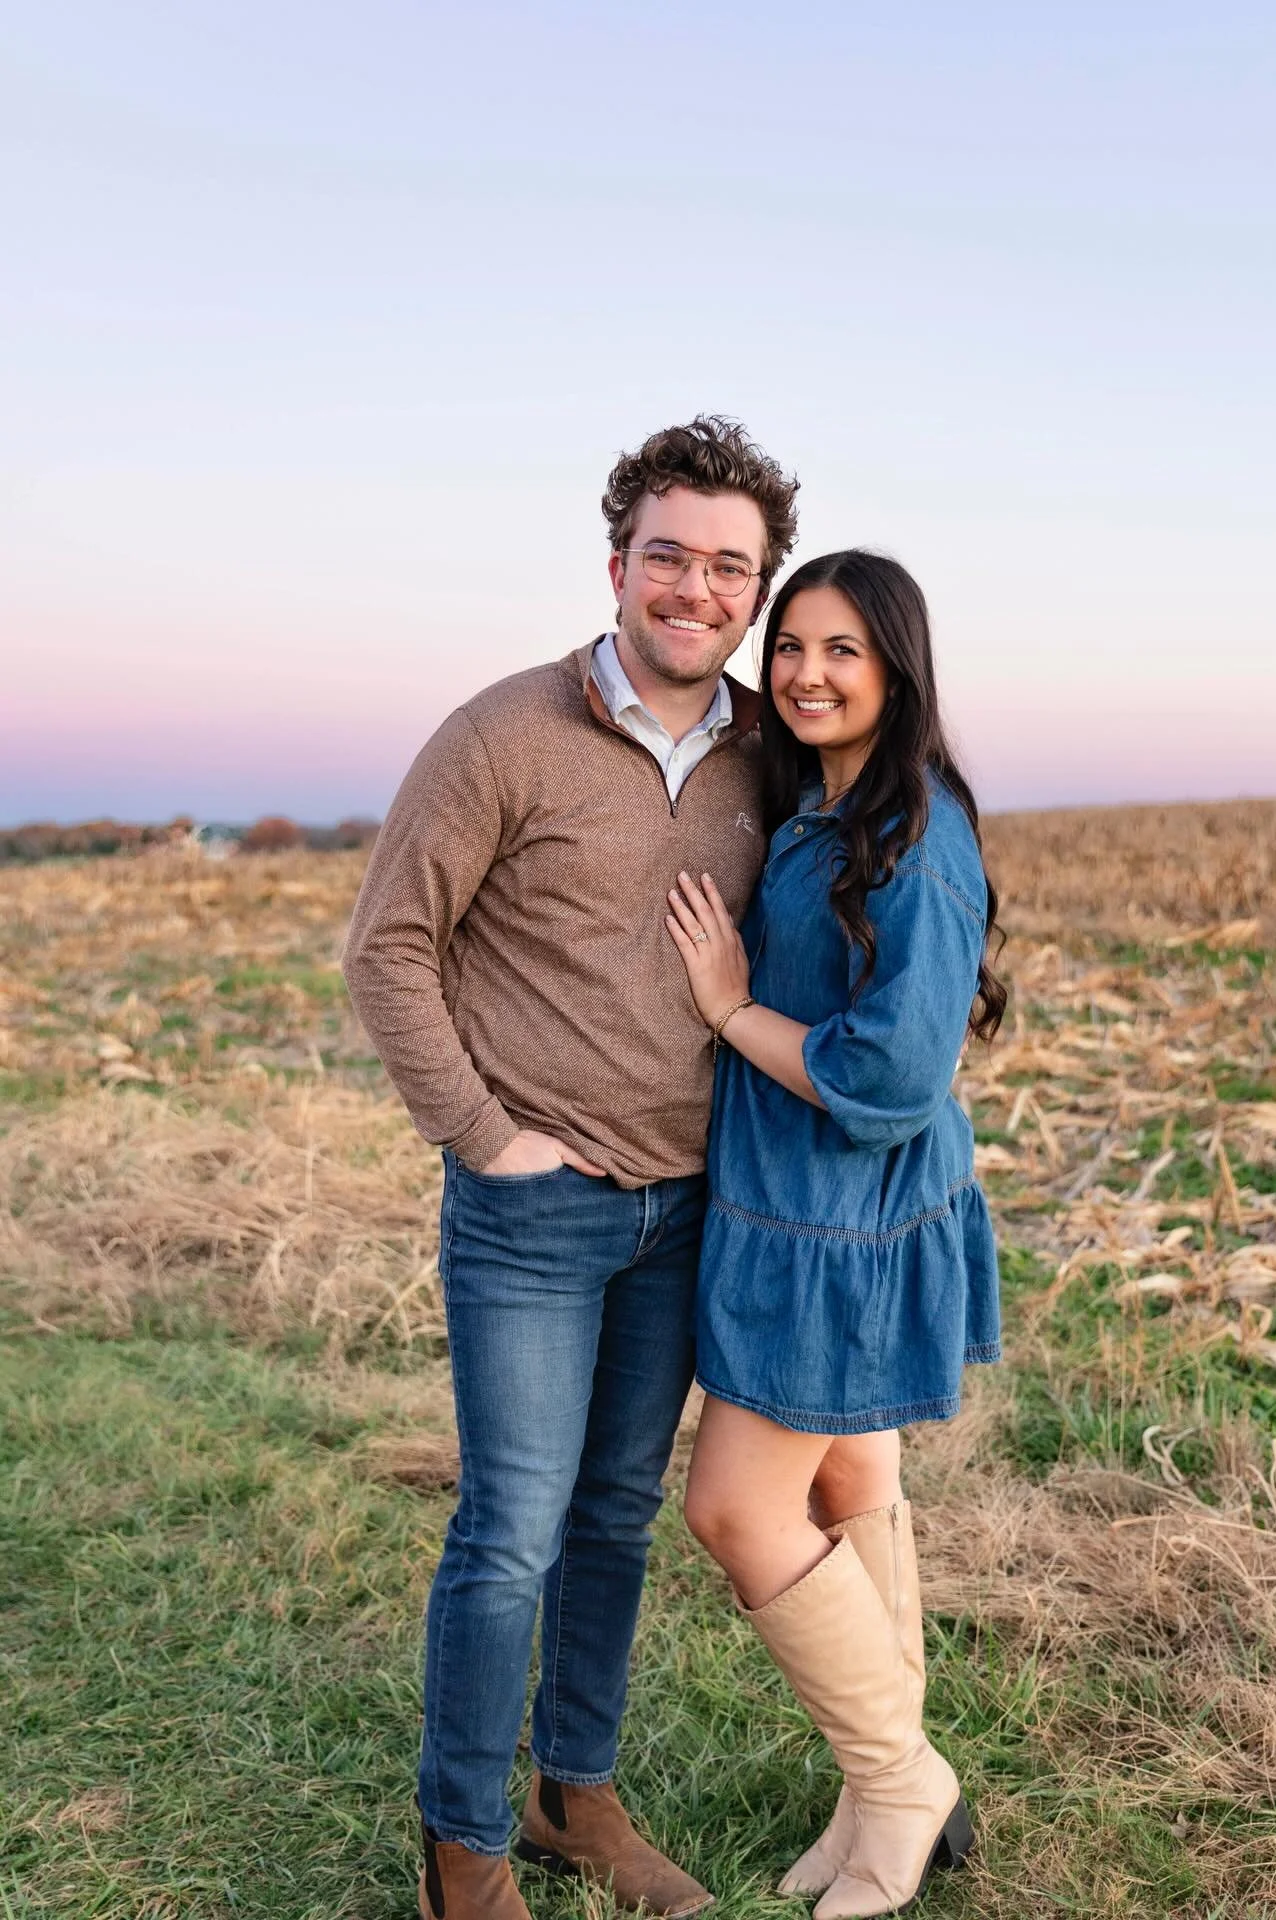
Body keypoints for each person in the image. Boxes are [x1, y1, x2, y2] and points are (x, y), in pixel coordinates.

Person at [341, 417, 799, 1920]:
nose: (697, 586)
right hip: (533, 1214)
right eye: (669, 554)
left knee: (613, 1516)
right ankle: (462, 1847)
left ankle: (572, 1798)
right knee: (512, 1526)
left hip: (690, 1211)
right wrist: (488, 1138)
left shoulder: (765, 760)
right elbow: (388, 948)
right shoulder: (502, 735)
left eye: (731, 566)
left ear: (758, 589)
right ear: (619, 565)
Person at [664, 550, 1007, 1920]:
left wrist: (732, 1007)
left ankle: (904, 1776)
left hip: (843, 1228)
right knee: (846, 1486)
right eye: (789, 645)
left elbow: (893, 1075)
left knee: (736, 1507)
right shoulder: (823, 809)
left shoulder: (915, 837)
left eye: (842, 652)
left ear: (898, 670)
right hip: (794, 1209)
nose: (805, 672)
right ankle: (881, 1806)